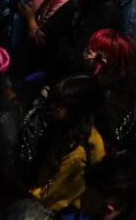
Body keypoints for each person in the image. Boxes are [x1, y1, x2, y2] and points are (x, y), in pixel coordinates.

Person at [29, 74, 106, 213]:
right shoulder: (69, 128)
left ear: (76, 108)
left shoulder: (79, 154)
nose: (53, 107)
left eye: (60, 104)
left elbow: (50, 199)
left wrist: (23, 194)